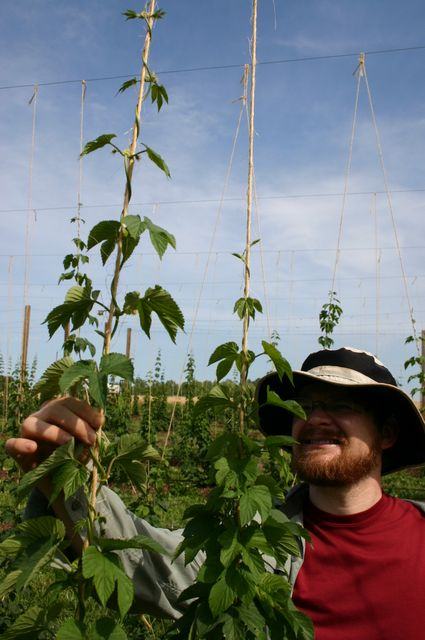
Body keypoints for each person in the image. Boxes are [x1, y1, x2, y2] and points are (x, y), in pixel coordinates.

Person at [6, 346, 425, 638]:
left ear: (387, 432)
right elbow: (148, 563)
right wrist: (66, 478)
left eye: (340, 405)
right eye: (306, 405)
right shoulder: (254, 544)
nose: (315, 419)